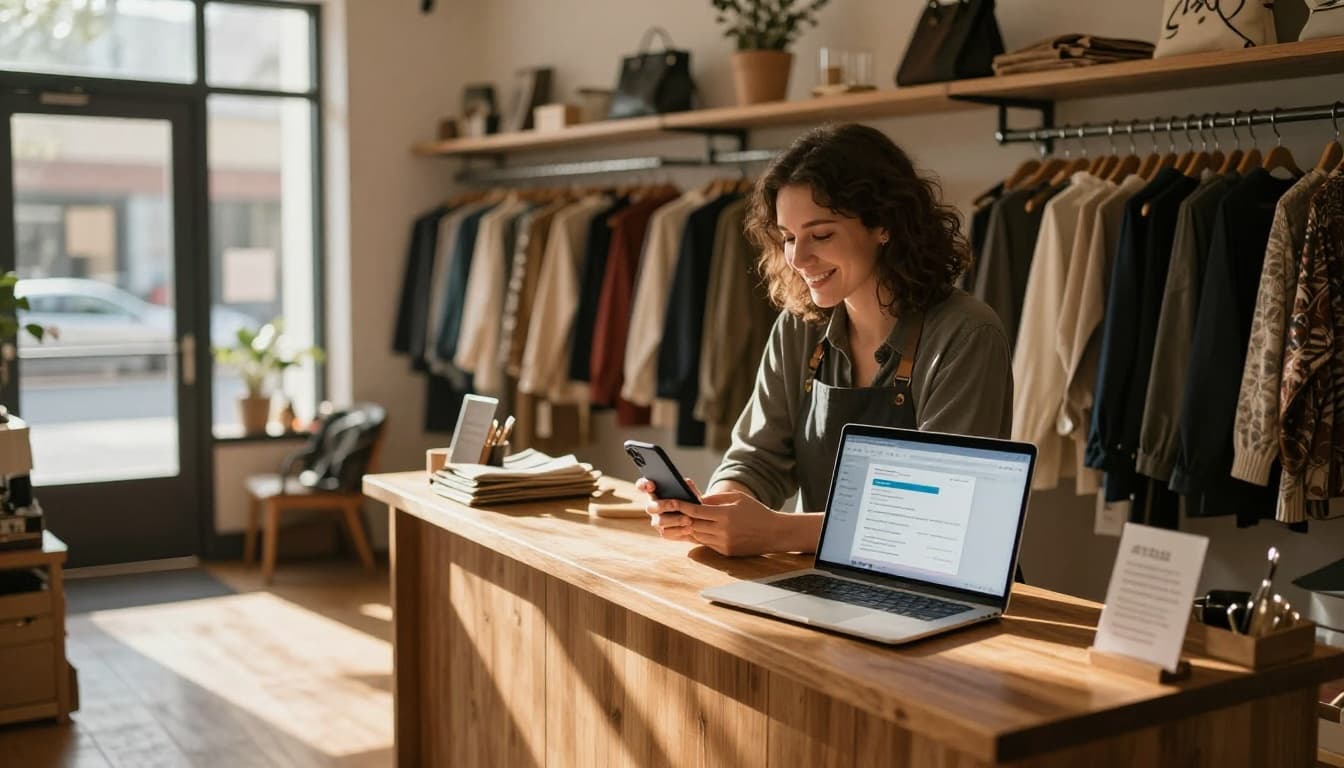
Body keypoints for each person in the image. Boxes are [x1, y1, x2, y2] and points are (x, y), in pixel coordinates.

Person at [637, 123, 1013, 557]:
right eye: (789, 237)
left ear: (884, 225)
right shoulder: (800, 327)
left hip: (940, 584)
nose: (797, 257)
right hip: (824, 578)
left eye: (821, 235)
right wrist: (715, 509)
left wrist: (777, 532)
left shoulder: (966, 334)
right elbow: (757, 457)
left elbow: (936, 514)